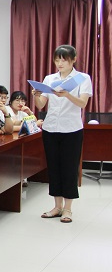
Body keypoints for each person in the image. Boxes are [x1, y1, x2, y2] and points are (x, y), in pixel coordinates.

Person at [33, 45, 92, 223]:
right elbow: (40, 105)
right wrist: (36, 94)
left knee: (69, 168)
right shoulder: (50, 79)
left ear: (73, 60)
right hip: (50, 128)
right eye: (57, 60)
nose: (60, 63)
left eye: (64, 60)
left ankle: (68, 209)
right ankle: (57, 206)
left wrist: (66, 95)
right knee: (54, 168)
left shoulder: (82, 78)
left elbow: (82, 104)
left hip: (71, 129)